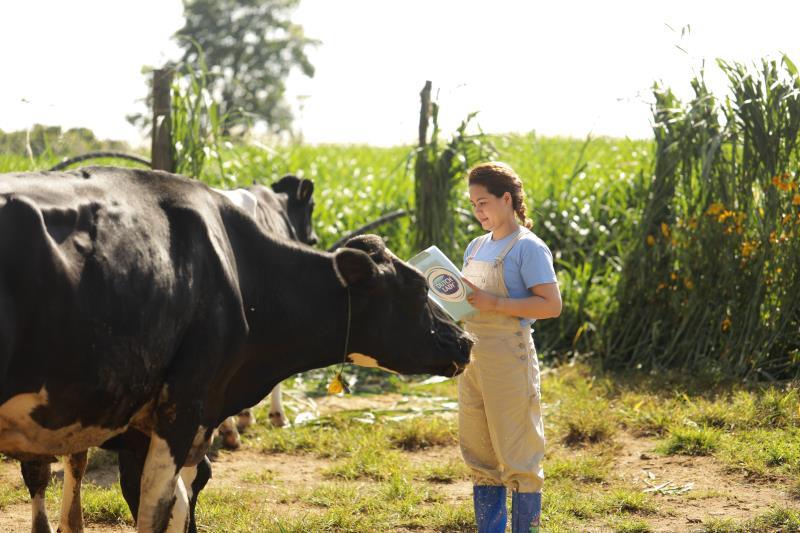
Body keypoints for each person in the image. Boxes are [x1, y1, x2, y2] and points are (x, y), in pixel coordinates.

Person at [458, 161, 561, 533]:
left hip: (509, 358)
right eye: (473, 205)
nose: (478, 211)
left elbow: (551, 305)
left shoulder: (528, 247)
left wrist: (497, 304)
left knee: (519, 455)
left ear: (507, 199)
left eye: (483, 202)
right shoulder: (476, 246)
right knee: (480, 454)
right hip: (472, 359)